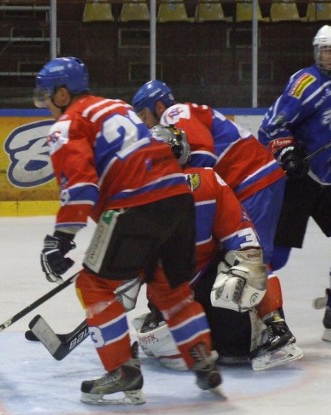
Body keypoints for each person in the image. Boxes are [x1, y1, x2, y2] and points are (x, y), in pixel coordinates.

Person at [34, 56, 222, 406]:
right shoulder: (115, 106)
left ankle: (122, 370)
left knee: (93, 284)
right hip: (179, 199)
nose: (44, 103)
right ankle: (201, 358)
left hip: (132, 206)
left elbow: (81, 188)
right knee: (172, 289)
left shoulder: (67, 124)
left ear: (62, 94)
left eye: (46, 95)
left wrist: (60, 240)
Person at [131, 79, 297, 364]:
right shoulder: (184, 126)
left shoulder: (175, 114)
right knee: (233, 256)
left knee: (251, 255)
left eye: (144, 116)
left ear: (158, 106)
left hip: (250, 182)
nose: (145, 124)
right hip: (248, 181)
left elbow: (202, 158)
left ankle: (275, 329)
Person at [258, 25, 331, 342]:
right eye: (328, 50)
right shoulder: (306, 83)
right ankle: (252, 314)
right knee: (277, 254)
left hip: (328, 180)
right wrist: (287, 150)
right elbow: (270, 126)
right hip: (297, 179)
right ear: (317, 53)